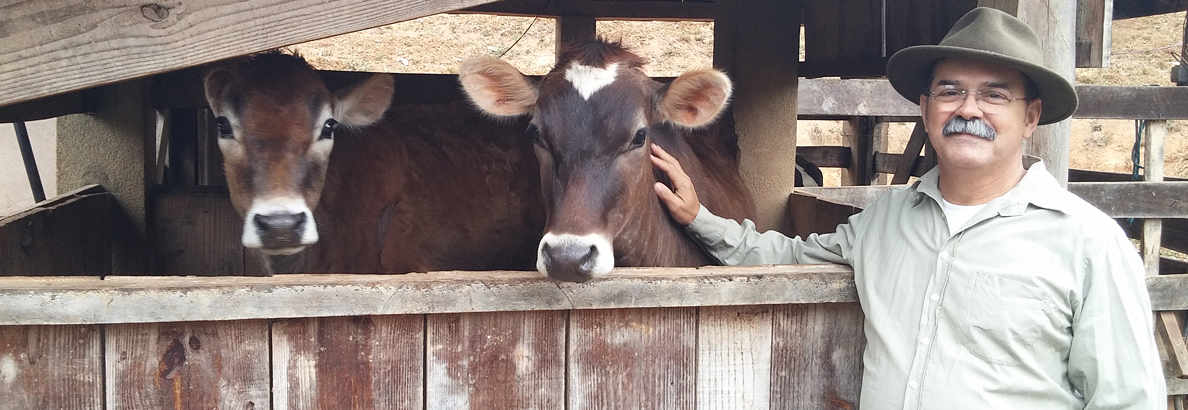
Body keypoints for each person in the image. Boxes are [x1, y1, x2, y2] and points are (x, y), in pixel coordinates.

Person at [651, 7, 1165, 409]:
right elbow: (786, 255)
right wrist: (700, 217)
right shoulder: (886, 219)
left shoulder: (1088, 243)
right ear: (925, 108)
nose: (968, 109)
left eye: (994, 95)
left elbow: (1126, 399)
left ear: (1030, 117)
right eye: (950, 91)